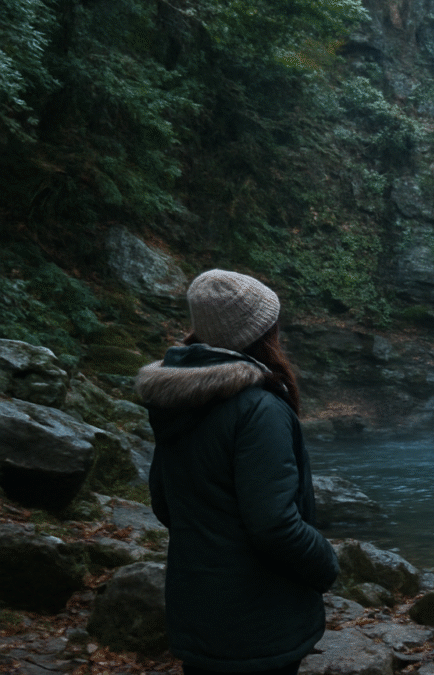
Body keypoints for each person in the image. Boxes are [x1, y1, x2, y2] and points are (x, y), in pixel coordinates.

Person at [135, 269, 338, 675]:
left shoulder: (178, 400)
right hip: (259, 621)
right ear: (262, 332)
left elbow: (164, 502)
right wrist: (326, 564)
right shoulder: (258, 409)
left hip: (198, 609)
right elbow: (275, 525)